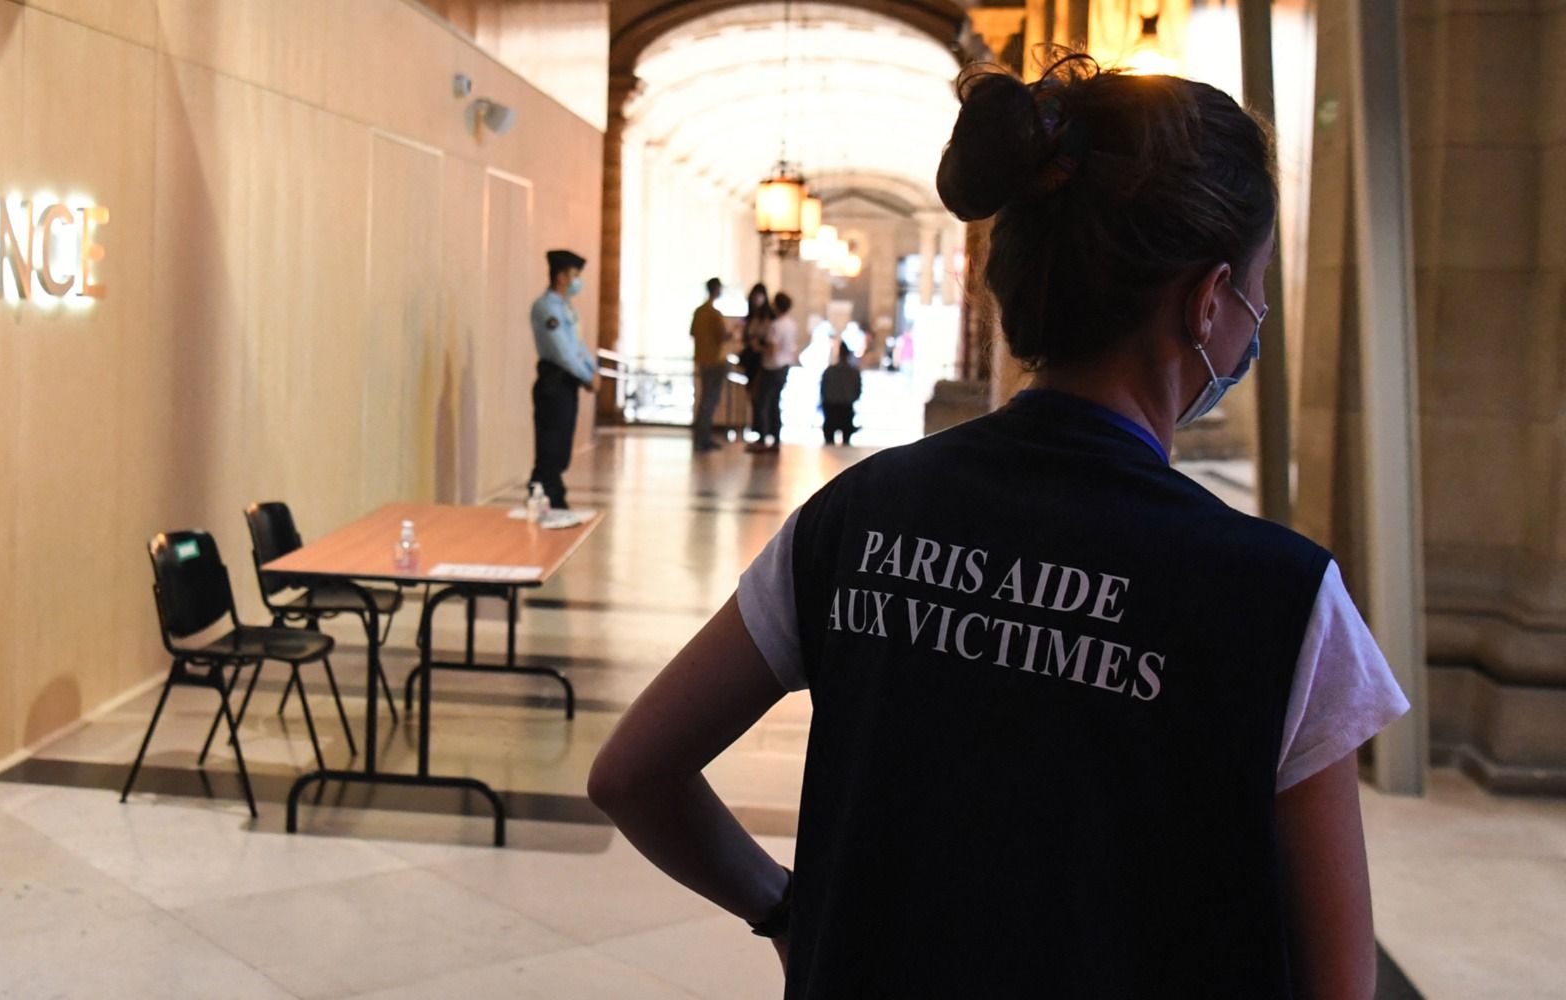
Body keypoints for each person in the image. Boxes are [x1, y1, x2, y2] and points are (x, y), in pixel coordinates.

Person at [589, 55, 1408, 1000]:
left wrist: (781, 908)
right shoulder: (1281, 599)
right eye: (1256, 289)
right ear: (1209, 299)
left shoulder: (856, 518)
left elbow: (632, 774)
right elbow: (1339, 985)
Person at [528, 248, 596, 510]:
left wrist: (591, 371)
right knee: (551, 444)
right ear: (561, 277)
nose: (577, 281)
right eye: (574, 275)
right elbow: (562, 352)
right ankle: (547, 494)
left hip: (568, 382)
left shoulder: (566, 308)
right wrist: (586, 374)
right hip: (553, 381)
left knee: (562, 444)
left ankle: (549, 492)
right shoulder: (547, 308)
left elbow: (577, 345)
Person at [748, 292, 798, 453]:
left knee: (762, 403)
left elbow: (772, 349)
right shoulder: (791, 324)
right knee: (775, 403)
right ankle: (775, 439)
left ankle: (762, 439)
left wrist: (757, 347)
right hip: (784, 367)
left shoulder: (775, 326)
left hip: (771, 368)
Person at [691, 278, 729, 452]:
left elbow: (693, 333)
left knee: (705, 399)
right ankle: (703, 437)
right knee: (709, 400)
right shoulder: (714, 314)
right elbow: (722, 336)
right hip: (714, 361)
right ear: (716, 289)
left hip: (702, 359)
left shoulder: (699, 312)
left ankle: (702, 436)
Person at [738, 284, 772, 440]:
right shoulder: (750, 318)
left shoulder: (768, 319)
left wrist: (758, 346)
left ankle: (763, 433)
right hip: (751, 361)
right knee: (754, 397)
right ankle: (759, 431)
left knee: (761, 398)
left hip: (761, 362)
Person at [819, 345, 861, 445]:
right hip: (844, 408)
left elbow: (824, 390)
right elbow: (857, 391)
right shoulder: (853, 372)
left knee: (830, 439)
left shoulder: (830, 371)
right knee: (844, 439)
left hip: (833, 408)